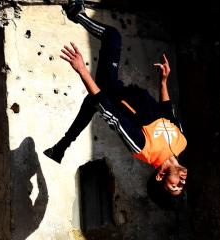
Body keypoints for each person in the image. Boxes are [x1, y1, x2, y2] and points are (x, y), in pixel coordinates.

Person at [44, 0, 188, 198]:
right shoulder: (182, 142)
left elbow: (111, 114)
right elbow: (167, 110)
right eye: (181, 187)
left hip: (111, 93)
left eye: (174, 187)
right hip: (120, 90)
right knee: (89, 104)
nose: (181, 183)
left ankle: (75, 12)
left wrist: (82, 71)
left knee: (112, 37)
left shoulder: (143, 148)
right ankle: (60, 148)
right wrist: (163, 81)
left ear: (160, 176)